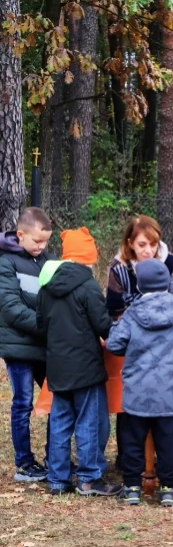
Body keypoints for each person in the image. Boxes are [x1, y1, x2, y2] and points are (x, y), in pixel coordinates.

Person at [106, 259, 173, 506]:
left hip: (137, 394)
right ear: (166, 283)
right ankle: (169, 488)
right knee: (167, 441)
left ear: (139, 285)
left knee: (132, 441)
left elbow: (114, 344)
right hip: (168, 393)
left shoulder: (132, 314)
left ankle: (131, 487)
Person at [36, 228, 119, 497]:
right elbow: (103, 325)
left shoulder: (46, 286)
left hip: (58, 367)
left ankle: (58, 479)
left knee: (60, 421)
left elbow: (41, 324)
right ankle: (88, 478)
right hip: (86, 368)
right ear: (89, 257)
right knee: (88, 421)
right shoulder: (88, 286)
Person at [0, 207, 52, 482]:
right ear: (20, 235)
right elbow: (10, 307)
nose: (41, 247)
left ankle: (54, 457)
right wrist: (47, 325)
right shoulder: (6, 262)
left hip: (45, 347)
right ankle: (24, 463)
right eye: (36, 241)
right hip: (19, 347)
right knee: (22, 403)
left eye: (45, 242)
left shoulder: (48, 262)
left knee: (56, 400)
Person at [106, 215, 173, 319]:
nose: (148, 251)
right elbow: (115, 312)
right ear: (131, 243)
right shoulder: (118, 269)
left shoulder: (170, 262)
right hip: (131, 328)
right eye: (142, 245)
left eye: (153, 244)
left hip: (165, 325)